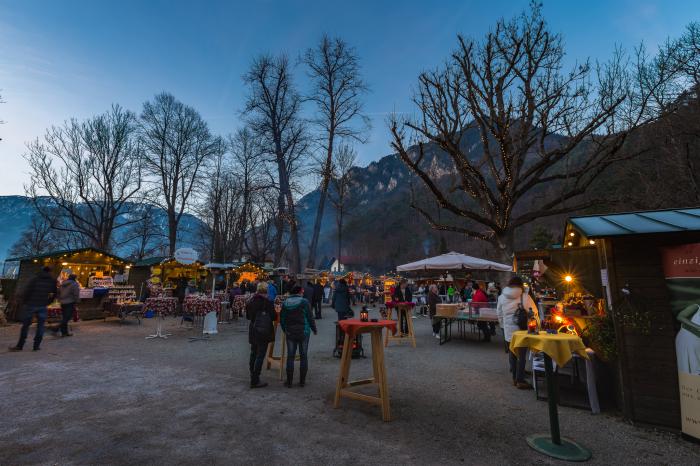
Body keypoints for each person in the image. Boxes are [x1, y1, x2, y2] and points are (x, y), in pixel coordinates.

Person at [496, 276, 538, 389]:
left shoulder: (501, 297)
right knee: (522, 354)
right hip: (522, 329)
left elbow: (499, 313)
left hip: (508, 329)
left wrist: (503, 326)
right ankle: (520, 379)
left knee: (512, 352)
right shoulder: (525, 297)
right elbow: (534, 312)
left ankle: (515, 375)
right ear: (520, 285)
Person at [9, 266, 57, 352]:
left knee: (26, 326)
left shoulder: (35, 279)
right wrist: (48, 302)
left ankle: (20, 345)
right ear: (50, 271)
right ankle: (36, 346)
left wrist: (25, 302)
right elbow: (54, 294)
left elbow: (27, 291)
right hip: (42, 305)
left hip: (31, 304)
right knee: (41, 326)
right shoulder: (52, 281)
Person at [280, 286, 317, 388]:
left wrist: (285, 330)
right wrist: (314, 329)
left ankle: (289, 382)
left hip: (290, 333)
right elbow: (310, 317)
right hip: (303, 331)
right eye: (302, 291)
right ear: (300, 292)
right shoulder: (304, 302)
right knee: (303, 356)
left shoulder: (286, 303)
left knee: (290, 357)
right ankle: (302, 382)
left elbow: (282, 319)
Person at [246, 282, 276, 388]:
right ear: (266, 291)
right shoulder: (267, 302)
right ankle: (255, 379)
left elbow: (248, 316)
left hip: (253, 329)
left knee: (253, 353)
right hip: (263, 330)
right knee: (260, 355)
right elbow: (273, 317)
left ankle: (252, 375)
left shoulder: (251, 300)